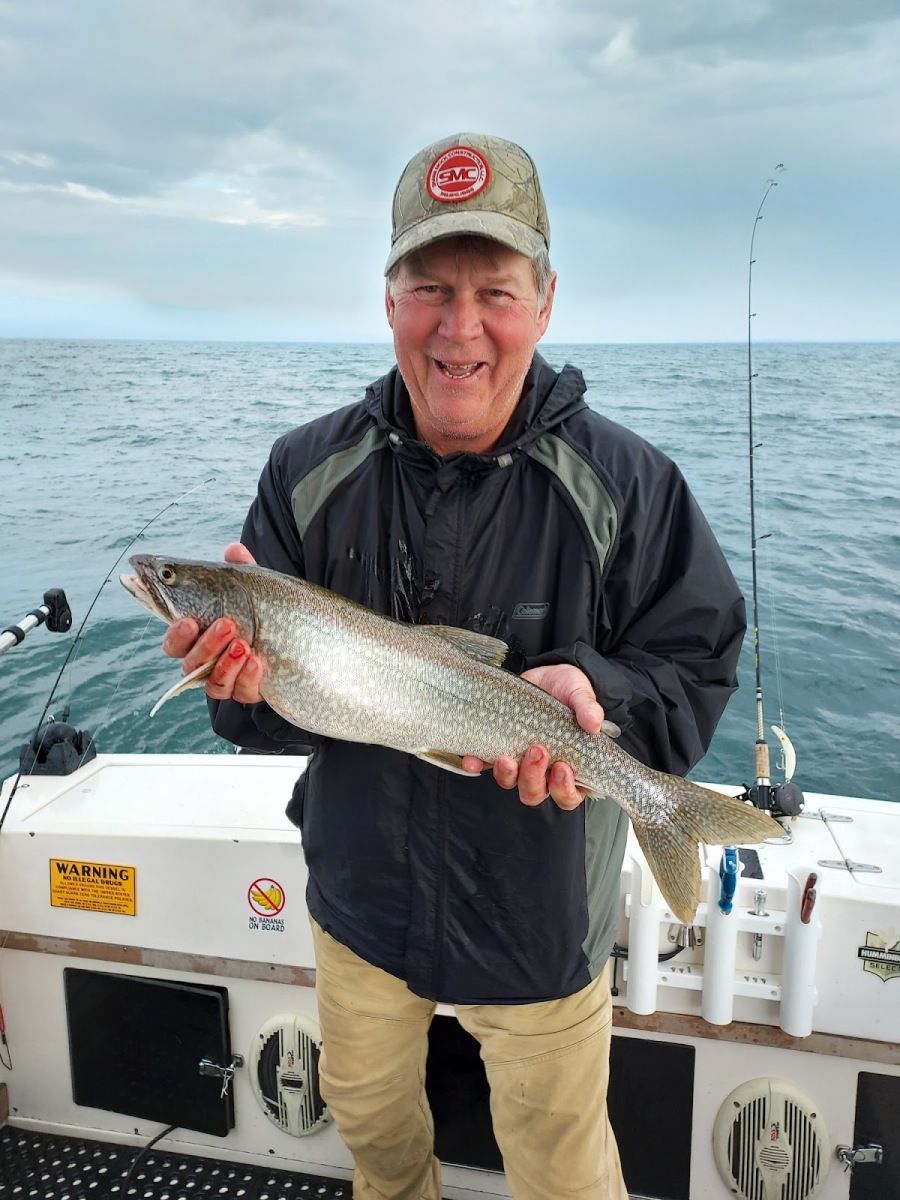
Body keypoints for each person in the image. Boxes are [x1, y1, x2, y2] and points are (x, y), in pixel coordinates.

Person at [163, 133, 746, 1200]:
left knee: (566, 1176)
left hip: (538, 928)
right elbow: (272, 722)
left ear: (547, 300)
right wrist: (241, 691)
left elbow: (696, 664)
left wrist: (600, 701)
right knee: (378, 1148)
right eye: (430, 287)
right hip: (362, 910)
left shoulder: (631, 482)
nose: (460, 327)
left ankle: (672, 816)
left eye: (496, 292)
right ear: (388, 298)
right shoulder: (305, 467)